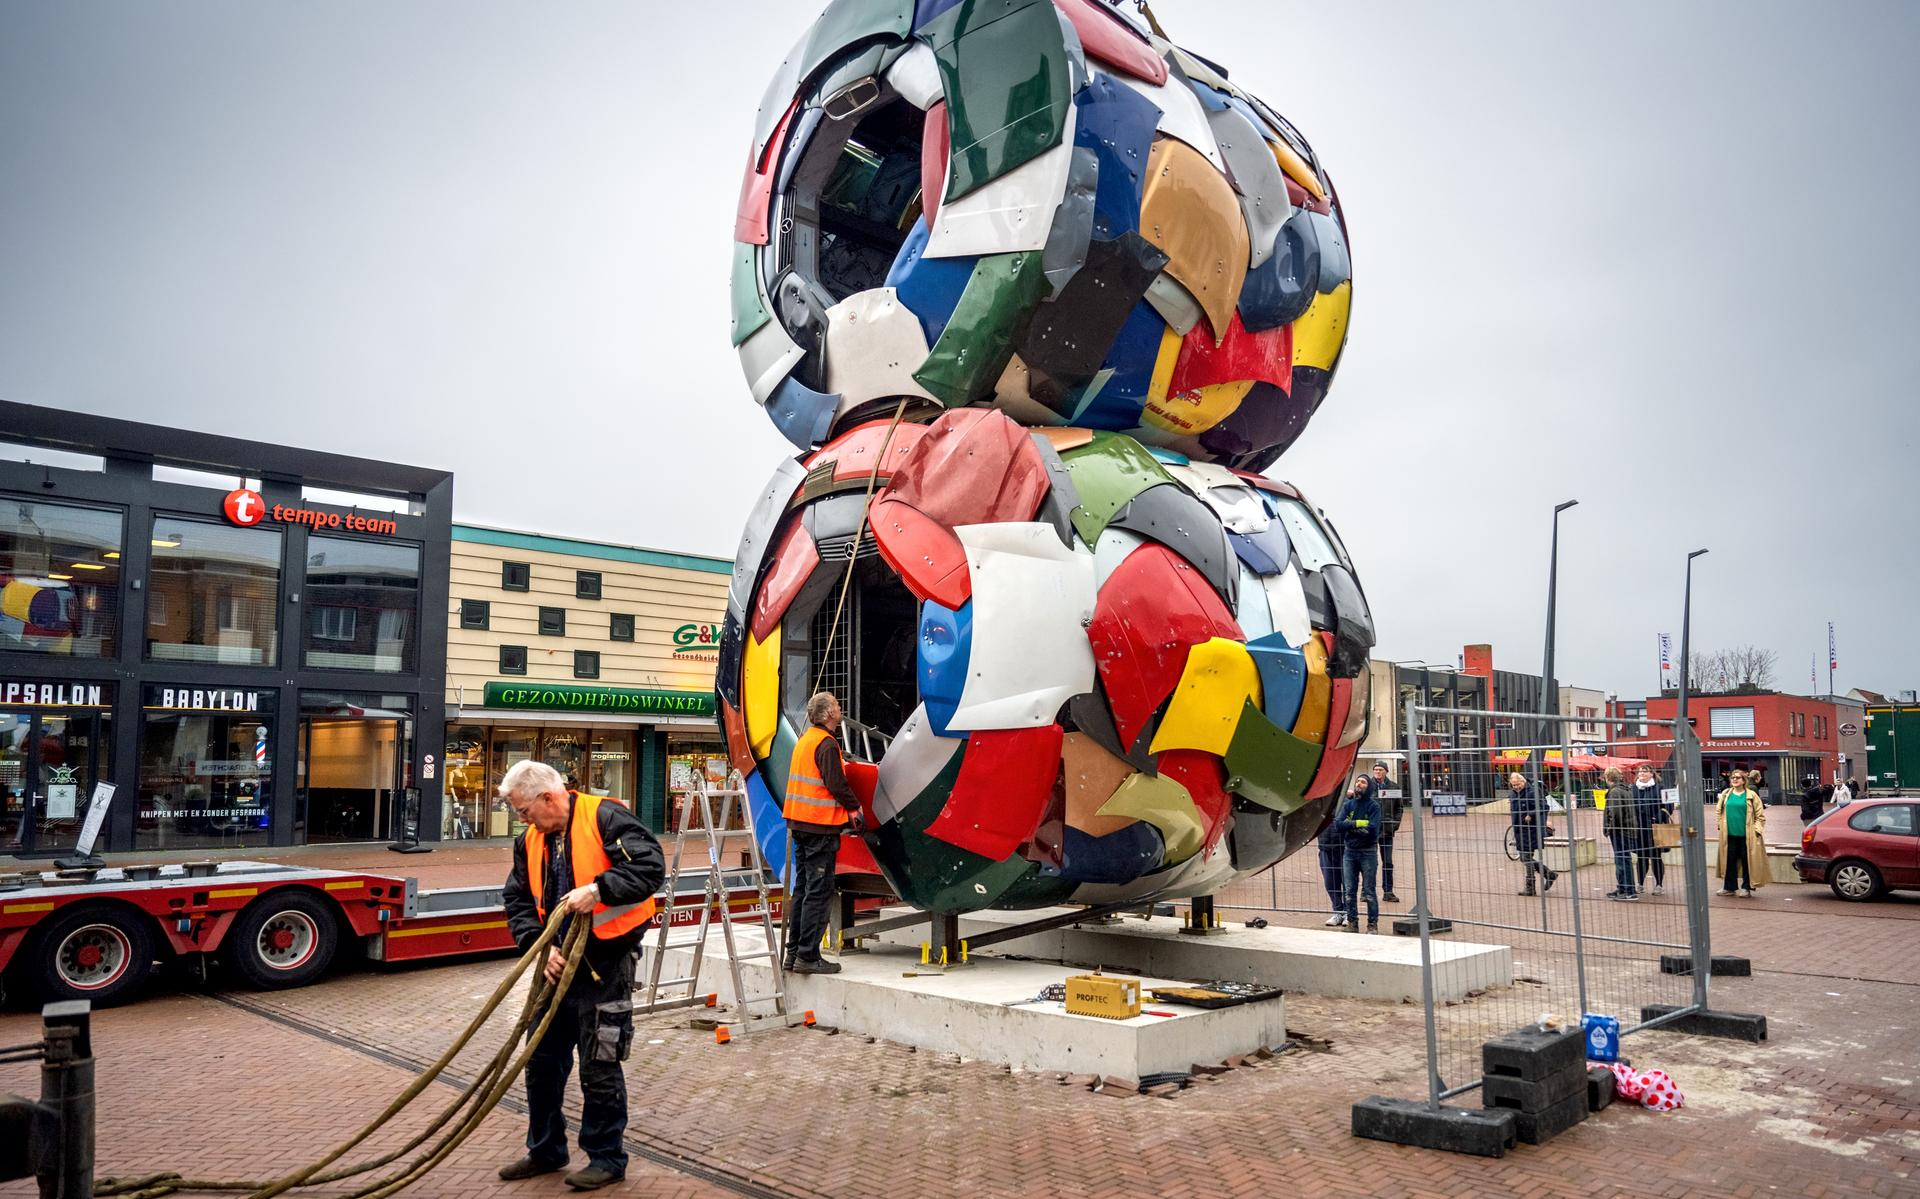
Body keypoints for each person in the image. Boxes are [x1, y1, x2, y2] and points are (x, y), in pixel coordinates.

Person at [498, 760, 666, 1190]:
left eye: (524, 810)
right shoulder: (530, 842)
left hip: (605, 967)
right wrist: (539, 946)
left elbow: (649, 868)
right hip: (556, 970)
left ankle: (607, 1158)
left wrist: (600, 890)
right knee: (541, 1061)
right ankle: (546, 1149)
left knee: (600, 1063)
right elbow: (517, 898)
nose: (522, 819)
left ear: (549, 798)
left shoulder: (606, 818)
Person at [782, 691, 867, 974]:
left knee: (803, 888)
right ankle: (808, 955)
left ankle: (793, 953)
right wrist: (854, 808)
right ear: (829, 714)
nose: (841, 708)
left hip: (800, 825)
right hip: (819, 827)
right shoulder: (827, 744)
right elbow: (836, 783)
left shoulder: (805, 741)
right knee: (819, 892)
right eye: (838, 705)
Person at [1334, 774, 1383, 933]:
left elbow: (1373, 829)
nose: (1359, 784)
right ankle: (1352, 924)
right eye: (1357, 781)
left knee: (1369, 890)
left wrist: (1350, 826)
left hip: (1368, 852)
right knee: (1349, 890)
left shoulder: (1373, 806)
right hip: (1350, 852)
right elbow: (1339, 825)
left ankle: (1372, 925)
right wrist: (1358, 823)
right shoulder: (1348, 805)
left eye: (1363, 782)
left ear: (1368, 787)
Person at [1716, 768, 1767, 897]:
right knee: (1729, 861)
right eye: (1733, 777)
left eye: (1738, 777)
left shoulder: (1751, 795)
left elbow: (1760, 816)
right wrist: (1720, 826)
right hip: (1729, 835)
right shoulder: (1726, 794)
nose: (1734, 779)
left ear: (1744, 780)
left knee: (1747, 861)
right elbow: (1719, 812)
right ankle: (1729, 887)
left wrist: (1756, 830)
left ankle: (1746, 888)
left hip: (1747, 835)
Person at [1508, 771, 1558, 896]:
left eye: (1517, 784)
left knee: (1526, 858)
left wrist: (1531, 814)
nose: (1516, 787)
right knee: (1526, 858)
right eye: (1513, 785)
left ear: (1523, 782)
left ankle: (1531, 887)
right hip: (1520, 830)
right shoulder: (1513, 794)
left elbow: (1544, 807)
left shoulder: (1532, 792)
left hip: (1531, 830)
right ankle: (1549, 874)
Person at [1601, 767, 1638, 900]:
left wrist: (1609, 828)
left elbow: (1615, 813)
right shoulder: (1625, 789)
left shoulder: (1615, 791)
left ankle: (1628, 890)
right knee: (1622, 859)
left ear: (1608, 778)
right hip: (1626, 829)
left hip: (1620, 831)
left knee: (1623, 860)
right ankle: (1623, 888)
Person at [1632, 765, 1669, 894]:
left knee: (1656, 857)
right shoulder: (1633, 788)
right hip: (1639, 829)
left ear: (1651, 774)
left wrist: (1657, 818)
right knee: (1641, 857)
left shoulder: (1660, 788)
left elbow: (1668, 806)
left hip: (1655, 828)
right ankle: (1640, 884)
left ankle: (1659, 885)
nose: (1641, 773)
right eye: (1640, 771)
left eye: (1645, 771)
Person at [1371, 761, 1404, 903]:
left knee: (1388, 862)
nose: (1378, 772)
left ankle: (1388, 891)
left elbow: (1399, 808)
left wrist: (1394, 825)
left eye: (1380, 770)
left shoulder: (1394, 787)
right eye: (1376, 769)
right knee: (1370, 862)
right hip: (1370, 831)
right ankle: (1367, 891)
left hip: (1387, 831)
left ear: (1386, 771)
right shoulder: (1367, 785)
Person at [1316, 787, 1349, 927]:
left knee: (1348, 883)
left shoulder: (1348, 802)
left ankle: (1349, 913)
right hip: (1324, 847)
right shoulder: (1320, 803)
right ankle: (1338, 911)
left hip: (1344, 848)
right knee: (1331, 883)